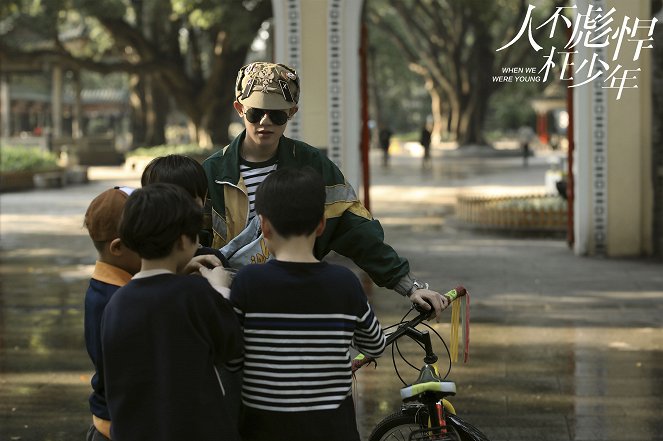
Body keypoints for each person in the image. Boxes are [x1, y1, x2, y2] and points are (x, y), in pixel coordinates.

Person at [202, 61, 450, 317]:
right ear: (239, 109)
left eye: (276, 114)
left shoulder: (312, 165)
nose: (265, 122)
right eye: (256, 112)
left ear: (292, 112)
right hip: (229, 304)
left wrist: (409, 287)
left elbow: (355, 228)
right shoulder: (212, 172)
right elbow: (190, 245)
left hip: (292, 301)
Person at [229, 166, 386, 441]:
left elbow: (231, 358)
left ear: (263, 226)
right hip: (332, 429)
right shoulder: (345, 283)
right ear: (322, 224)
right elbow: (375, 345)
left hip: (264, 429)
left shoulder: (247, 283)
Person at [101, 183, 243, 441]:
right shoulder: (194, 295)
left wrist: (178, 270)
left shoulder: (117, 302)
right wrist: (220, 290)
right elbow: (231, 346)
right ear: (182, 240)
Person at [141, 154, 228, 262]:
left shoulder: (212, 261)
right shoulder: (138, 259)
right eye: (169, 202)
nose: (179, 212)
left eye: (188, 202)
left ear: (204, 199)